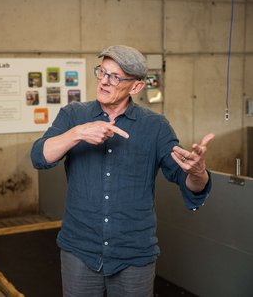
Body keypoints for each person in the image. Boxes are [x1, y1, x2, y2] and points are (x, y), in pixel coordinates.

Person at [30, 45, 214, 297]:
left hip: (133, 254)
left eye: (115, 77)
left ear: (136, 87)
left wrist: (197, 172)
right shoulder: (73, 115)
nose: (104, 82)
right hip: (80, 250)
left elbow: (188, 182)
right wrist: (78, 133)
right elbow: (39, 156)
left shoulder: (155, 127)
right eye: (102, 72)